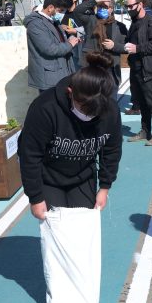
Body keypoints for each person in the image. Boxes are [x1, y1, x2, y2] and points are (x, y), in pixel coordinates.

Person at [19, 51, 122, 218]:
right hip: (49, 177)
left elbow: (112, 150)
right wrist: (35, 198)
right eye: (84, 110)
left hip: (83, 175)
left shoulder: (110, 110)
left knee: (82, 225)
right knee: (57, 226)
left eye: (94, 113)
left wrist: (104, 187)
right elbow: (29, 154)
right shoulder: (45, 107)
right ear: (70, 92)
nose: (88, 116)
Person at [123, 0, 152, 146]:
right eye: (127, 6)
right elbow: (130, 41)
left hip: (149, 68)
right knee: (142, 102)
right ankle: (145, 130)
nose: (129, 9)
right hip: (136, 67)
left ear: (140, 5)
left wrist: (138, 48)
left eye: (131, 6)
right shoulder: (135, 21)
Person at [25, 0, 79, 92]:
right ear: (50, 7)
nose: (61, 14)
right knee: (51, 101)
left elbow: (59, 42)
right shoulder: (36, 24)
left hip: (62, 72)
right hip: (49, 77)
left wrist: (72, 40)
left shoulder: (53, 21)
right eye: (60, 10)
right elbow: (50, 49)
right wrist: (69, 44)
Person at [91, 0, 128, 88]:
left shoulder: (120, 26)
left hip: (112, 68)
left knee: (111, 94)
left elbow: (127, 47)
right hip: (94, 69)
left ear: (111, 9)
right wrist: (96, 0)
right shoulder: (91, 23)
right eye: (100, 6)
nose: (102, 9)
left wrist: (114, 46)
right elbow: (79, 10)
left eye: (105, 7)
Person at [61, 0, 89, 71]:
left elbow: (90, 29)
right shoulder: (63, 13)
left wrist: (75, 31)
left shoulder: (82, 12)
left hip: (81, 54)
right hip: (69, 52)